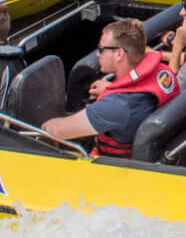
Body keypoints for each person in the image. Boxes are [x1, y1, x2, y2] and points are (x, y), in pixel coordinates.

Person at [38, 19, 173, 157]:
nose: (97, 54)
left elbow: (55, 131)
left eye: (101, 49)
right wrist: (111, 89)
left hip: (116, 168)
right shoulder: (163, 72)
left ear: (119, 54)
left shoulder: (117, 105)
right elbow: (133, 99)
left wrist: (44, 126)